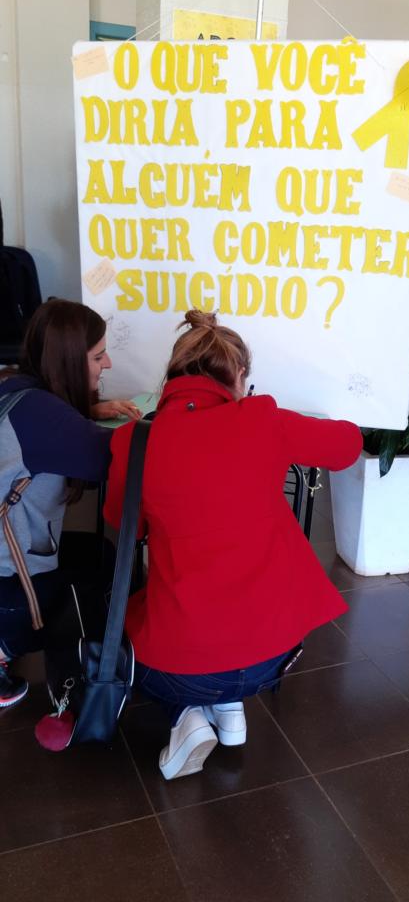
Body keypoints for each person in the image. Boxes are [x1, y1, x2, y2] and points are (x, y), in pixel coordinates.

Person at [104, 309, 363, 780]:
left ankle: (187, 715)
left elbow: (123, 524)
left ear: (173, 375)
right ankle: (228, 710)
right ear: (239, 374)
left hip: (179, 665)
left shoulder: (131, 441)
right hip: (272, 656)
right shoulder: (263, 420)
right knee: (226, 630)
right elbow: (348, 446)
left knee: (135, 622)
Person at [0, 298, 141, 709]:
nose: (107, 364)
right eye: (98, 356)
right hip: (8, 584)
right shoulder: (45, 417)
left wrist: (88, 411)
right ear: (67, 361)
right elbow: (113, 459)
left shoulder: (16, 388)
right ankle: (11, 645)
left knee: (99, 556)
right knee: (100, 572)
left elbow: (47, 431)